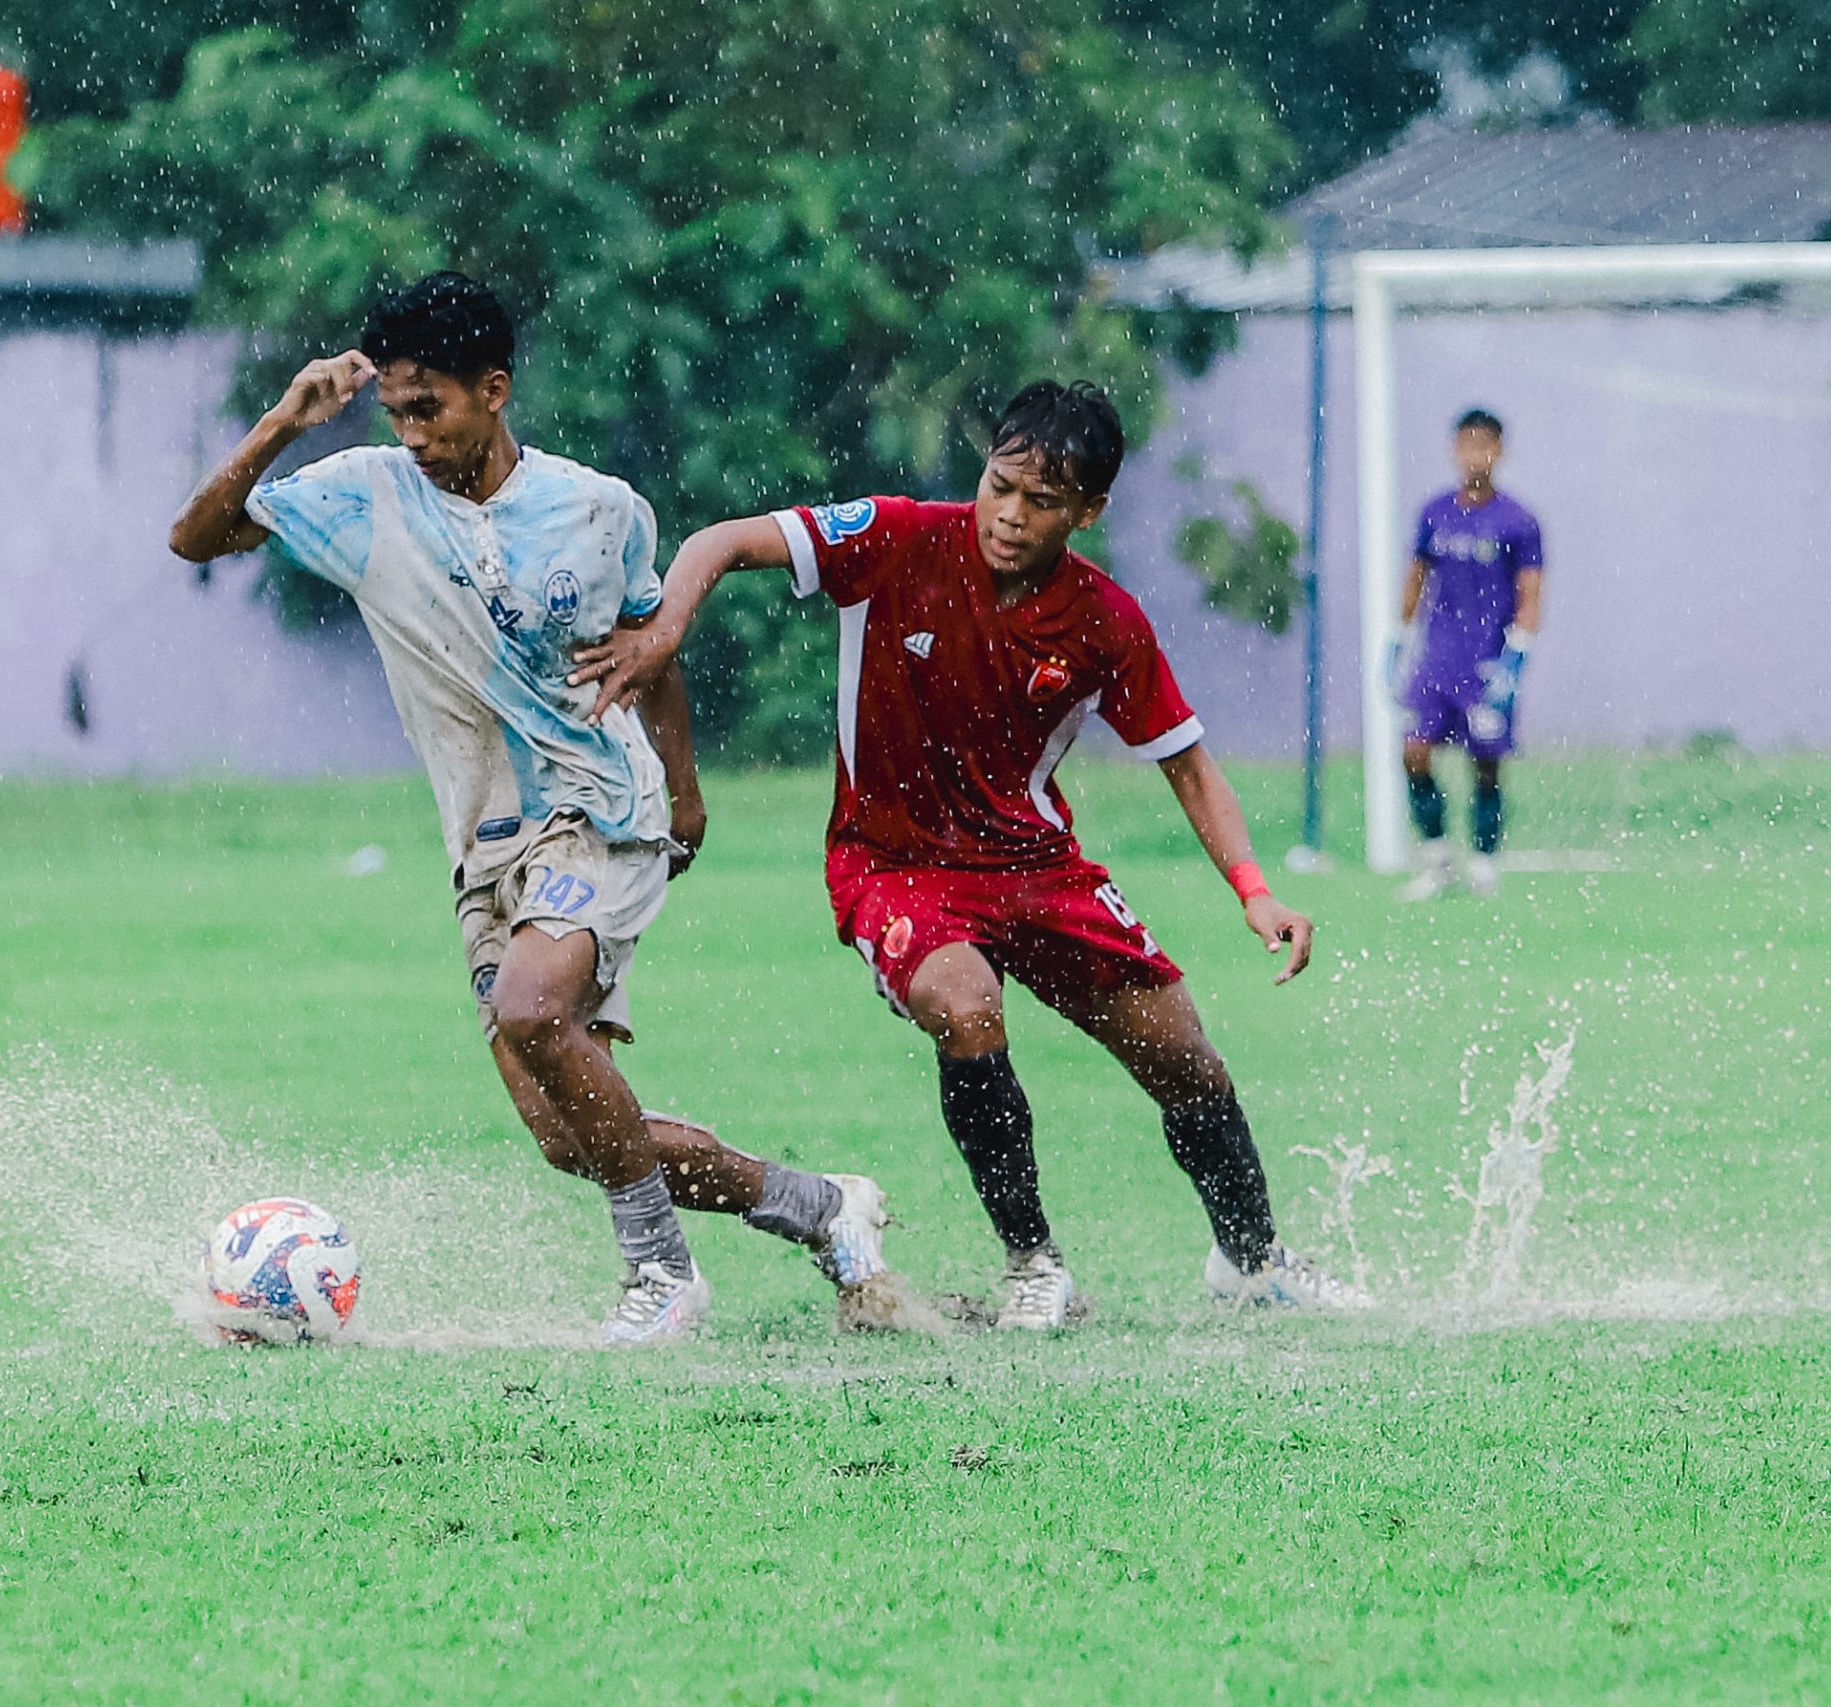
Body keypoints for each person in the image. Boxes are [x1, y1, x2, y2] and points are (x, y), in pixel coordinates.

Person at [167, 272, 898, 1344]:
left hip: (600, 809)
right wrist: (286, 419)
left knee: (528, 1007)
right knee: (571, 1135)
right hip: (485, 848)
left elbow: (650, 650)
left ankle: (661, 1274)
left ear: (495, 390)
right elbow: (196, 538)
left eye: (431, 409)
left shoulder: (598, 509)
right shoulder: (365, 493)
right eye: (397, 412)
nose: (413, 435)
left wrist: (685, 790)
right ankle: (819, 1207)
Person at [573, 380, 1368, 1325]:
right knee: (967, 1005)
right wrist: (666, 629)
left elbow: (1188, 764)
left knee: (1183, 1055)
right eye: (1000, 486)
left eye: (1042, 501)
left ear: (1088, 511)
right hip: (893, 862)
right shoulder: (896, 538)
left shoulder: (1104, 621)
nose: (1010, 515)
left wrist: (1254, 890)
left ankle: (1253, 1259)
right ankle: (1035, 1263)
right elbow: (721, 541)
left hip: (1036, 866)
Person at [1389, 408, 1546, 900]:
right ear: (1454, 450)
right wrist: (1397, 641)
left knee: (1485, 762)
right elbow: (1416, 577)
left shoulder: (1518, 522)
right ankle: (1437, 861)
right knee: (1414, 751)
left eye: (1485, 446)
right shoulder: (1435, 513)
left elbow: (1530, 593)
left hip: (1486, 662)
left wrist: (1516, 657)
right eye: (1467, 445)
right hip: (1438, 659)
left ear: (1499, 451)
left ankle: (1483, 863)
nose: (1475, 456)